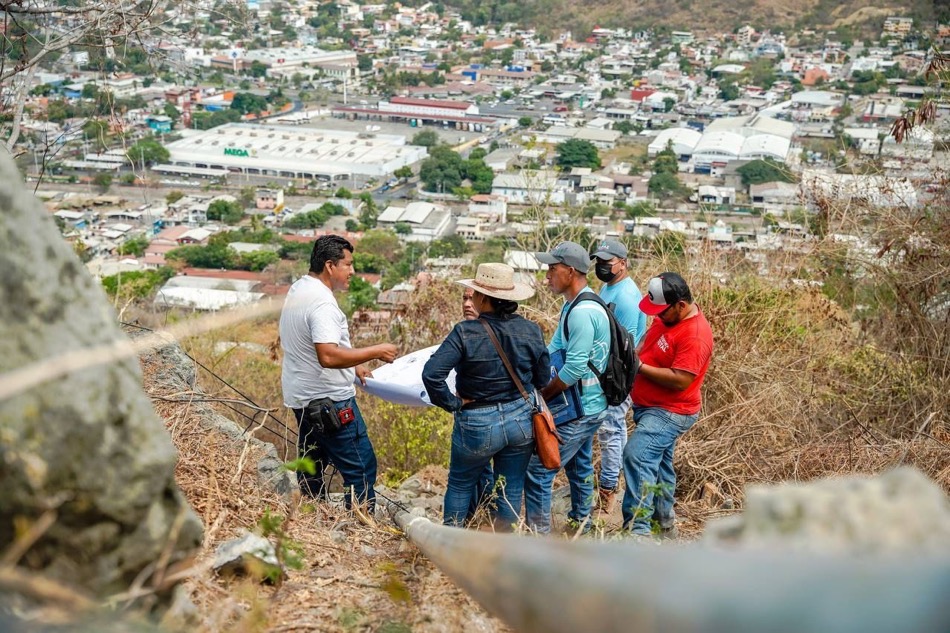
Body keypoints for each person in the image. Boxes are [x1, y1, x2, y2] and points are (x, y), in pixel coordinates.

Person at [422, 263, 550, 530]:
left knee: (460, 483)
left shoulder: (465, 332)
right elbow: (543, 380)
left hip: (477, 422)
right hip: (520, 421)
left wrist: (454, 403)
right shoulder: (531, 330)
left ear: (482, 297)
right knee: (510, 488)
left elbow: (432, 374)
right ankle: (502, 551)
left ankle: (453, 546)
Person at [279, 235, 398, 510]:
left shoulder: (300, 289)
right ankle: (360, 524)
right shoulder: (322, 304)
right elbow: (328, 355)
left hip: (304, 398)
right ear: (330, 266)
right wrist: (376, 350)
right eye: (348, 265)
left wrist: (354, 363)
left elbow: (315, 344)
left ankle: (311, 517)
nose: (352, 272)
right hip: (330, 402)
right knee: (361, 468)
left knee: (312, 464)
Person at [524, 242, 611, 534]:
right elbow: (554, 350)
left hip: (583, 406)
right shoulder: (572, 305)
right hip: (586, 404)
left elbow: (573, 369)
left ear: (570, 271)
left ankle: (540, 539)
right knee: (579, 465)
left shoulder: (582, 312)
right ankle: (582, 523)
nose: (547, 275)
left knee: (539, 471)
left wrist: (543, 395)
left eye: (552, 268)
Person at [621, 272, 713, 538]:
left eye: (662, 311)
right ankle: (664, 525)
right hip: (652, 405)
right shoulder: (669, 318)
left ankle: (637, 531)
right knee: (659, 463)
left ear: (681, 305)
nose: (657, 316)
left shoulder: (695, 335)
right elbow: (650, 344)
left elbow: (681, 379)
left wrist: (640, 367)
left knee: (637, 455)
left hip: (671, 411)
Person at [589, 238, 646, 513]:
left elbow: (625, 344)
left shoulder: (626, 297)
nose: (601, 267)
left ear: (622, 263)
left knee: (610, 428)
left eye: (607, 263)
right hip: (608, 370)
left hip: (618, 373)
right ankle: (614, 481)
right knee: (614, 428)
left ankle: (608, 489)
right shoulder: (609, 286)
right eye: (598, 262)